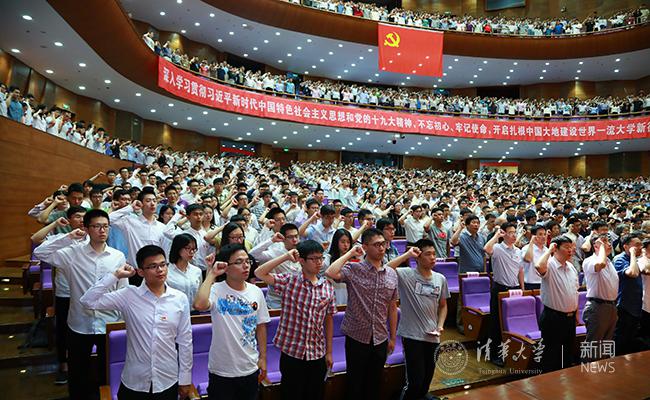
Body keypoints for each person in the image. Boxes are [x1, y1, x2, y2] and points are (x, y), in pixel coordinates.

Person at [33, 209, 128, 399]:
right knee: (78, 374)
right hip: (79, 323)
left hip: (108, 323)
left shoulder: (117, 256)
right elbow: (39, 252)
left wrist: (123, 323)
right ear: (86, 228)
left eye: (105, 226)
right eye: (97, 226)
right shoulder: (72, 254)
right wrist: (68, 237)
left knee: (106, 373)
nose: (102, 230)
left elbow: (122, 291)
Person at [80, 245, 193, 400]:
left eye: (163, 265)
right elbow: (87, 301)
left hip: (167, 379)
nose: (160, 270)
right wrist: (116, 275)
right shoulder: (129, 295)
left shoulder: (180, 299)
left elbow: (185, 341)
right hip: (135, 381)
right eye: (152, 266)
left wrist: (185, 378)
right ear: (140, 272)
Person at [255, 240, 335, 400]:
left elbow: (328, 320)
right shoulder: (290, 281)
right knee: (291, 394)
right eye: (314, 259)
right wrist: (285, 257)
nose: (319, 262)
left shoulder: (327, 287)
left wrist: (329, 352)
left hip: (317, 352)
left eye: (321, 258)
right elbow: (259, 273)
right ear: (302, 261)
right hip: (292, 353)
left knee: (315, 394)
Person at [325, 228, 398, 400]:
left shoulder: (391, 274)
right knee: (355, 383)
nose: (381, 248)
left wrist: (393, 337)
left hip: (380, 336)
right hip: (357, 336)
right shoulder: (354, 269)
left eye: (383, 244)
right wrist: (350, 253)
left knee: (374, 383)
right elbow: (330, 272)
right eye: (376, 245)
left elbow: (392, 307)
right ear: (365, 247)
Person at [193, 244, 270, 400]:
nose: (246, 266)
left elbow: (261, 326)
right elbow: (199, 305)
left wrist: (262, 357)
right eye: (239, 262)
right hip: (222, 369)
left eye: (247, 261)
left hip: (249, 366)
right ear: (226, 267)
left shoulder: (255, 291)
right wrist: (211, 274)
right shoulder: (216, 290)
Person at [30, 206, 87, 385]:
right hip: (65, 292)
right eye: (77, 217)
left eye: (84, 217)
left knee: (83, 330)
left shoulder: (91, 239)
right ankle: (63, 365)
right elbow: (36, 239)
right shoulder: (61, 238)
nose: (81, 220)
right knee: (63, 329)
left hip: (86, 293)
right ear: (69, 220)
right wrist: (55, 224)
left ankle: (82, 365)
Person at [386, 239, 449, 400]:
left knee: (426, 382)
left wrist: (440, 325)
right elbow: (386, 268)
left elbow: (443, 306)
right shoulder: (406, 274)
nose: (433, 257)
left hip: (433, 336)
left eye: (434, 254)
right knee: (415, 382)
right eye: (428, 254)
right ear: (418, 257)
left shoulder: (440, 278)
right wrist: (407, 254)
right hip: (412, 336)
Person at [535, 236, 579, 373]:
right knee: (551, 355)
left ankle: (566, 382)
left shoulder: (571, 267)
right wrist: (549, 251)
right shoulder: (550, 264)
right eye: (566, 247)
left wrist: (576, 314)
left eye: (571, 247)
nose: (570, 250)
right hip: (553, 318)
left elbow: (575, 292)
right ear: (556, 248)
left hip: (570, 318)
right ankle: (548, 384)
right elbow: (538, 266)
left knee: (567, 354)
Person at [483, 223, 524, 366]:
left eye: (515, 232)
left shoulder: (518, 251)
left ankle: (510, 353)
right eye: (510, 232)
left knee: (511, 323)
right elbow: (486, 248)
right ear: (504, 233)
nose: (514, 235)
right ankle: (493, 354)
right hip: (500, 289)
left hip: (515, 290)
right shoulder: (497, 248)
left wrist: (522, 289)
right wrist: (496, 235)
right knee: (496, 323)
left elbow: (520, 271)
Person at [581, 234, 618, 361]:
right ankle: (588, 372)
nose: (609, 244)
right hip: (598, 306)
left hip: (611, 306)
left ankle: (603, 371)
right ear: (595, 246)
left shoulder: (609, 262)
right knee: (594, 348)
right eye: (604, 242)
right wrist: (601, 246)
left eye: (608, 241)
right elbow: (600, 264)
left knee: (606, 346)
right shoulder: (590, 260)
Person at [249, 223, 301, 309]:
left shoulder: (302, 251)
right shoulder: (275, 252)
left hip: (297, 301)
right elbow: (252, 255)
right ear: (283, 239)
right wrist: (272, 240)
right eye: (290, 237)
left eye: (296, 236)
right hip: (276, 303)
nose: (295, 240)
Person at [450, 215, 486, 333]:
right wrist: (460, 228)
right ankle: (461, 324)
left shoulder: (482, 237)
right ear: (467, 225)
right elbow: (453, 241)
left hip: (480, 273)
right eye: (473, 222)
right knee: (463, 299)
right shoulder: (463, 236)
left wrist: (484, 272)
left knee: (477, 297)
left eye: (478, 223)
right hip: (466, 273)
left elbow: (483, 255)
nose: (476, 225)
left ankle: (474, 323)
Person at [613, 233, 643, 355]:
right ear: (626, 247)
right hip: (625, 306)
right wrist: (633, 254)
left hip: (636, 306)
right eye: (637, 245)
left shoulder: (635, 259)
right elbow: (633, 273)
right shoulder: (619, 259)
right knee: (621, 341)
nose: (641, 247)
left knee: (631, 341)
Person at [166, 233, 203, 310]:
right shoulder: (167, 271)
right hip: (174, 311)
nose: (192, 252)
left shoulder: (197, 271)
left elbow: (199, 294)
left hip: (194, 312)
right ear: (178, 248)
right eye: (188, 248)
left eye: (194, 249)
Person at [321, 228, 353, 305]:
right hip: (332, 294)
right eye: (343, 242)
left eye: (348, 242)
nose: (346, 245)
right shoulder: (328, 259)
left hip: (349, 295)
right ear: (336, 242)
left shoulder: (353, 260)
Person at [521, 225, 548, 290]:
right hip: (530, 283)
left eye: (544, 234)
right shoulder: (526, 248)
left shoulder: (547, 250)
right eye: (540, 234)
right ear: (533, 236)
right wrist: (531, 242)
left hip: (544, 282)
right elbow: (528, 259)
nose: (543, 237)